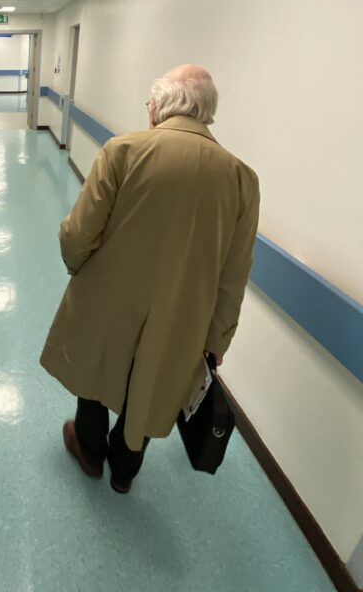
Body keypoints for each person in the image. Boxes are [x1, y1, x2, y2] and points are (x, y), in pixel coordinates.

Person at [40, 64, 259, 494]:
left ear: (157, 106)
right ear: (206, 112)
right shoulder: (241, 179)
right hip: (183, 314)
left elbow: (79, 234)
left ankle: (89, 450)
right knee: (150, 384)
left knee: (97, 371)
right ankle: (124, 470)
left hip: (108, 299)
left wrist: (76, 264)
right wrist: (218, 338)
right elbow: (234, 274)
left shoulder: (123, 151)